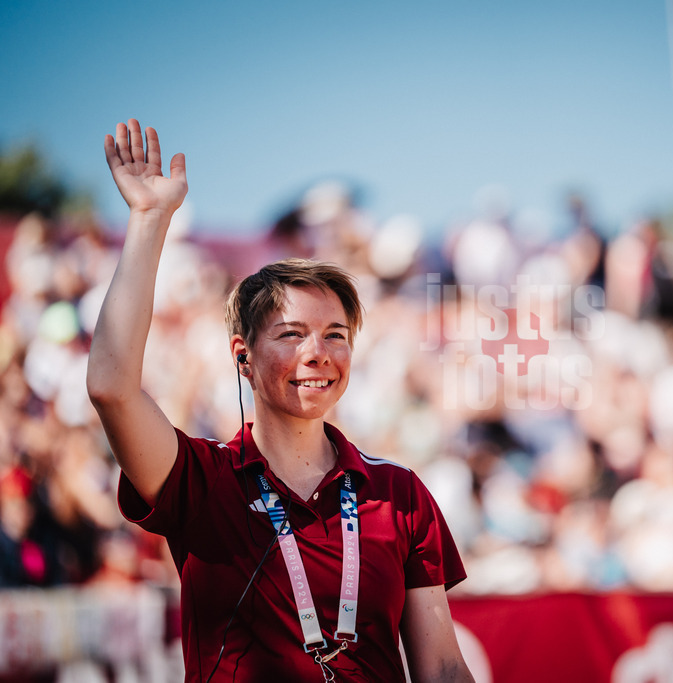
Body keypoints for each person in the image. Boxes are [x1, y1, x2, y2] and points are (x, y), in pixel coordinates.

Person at [87, 119, 474, 682]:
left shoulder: (401, 494)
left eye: (335, 334)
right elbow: (110, 387)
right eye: (291, 334)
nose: (318, 353)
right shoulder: (202, 479)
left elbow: (441, 668)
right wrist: (150, 220)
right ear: (242, 355)